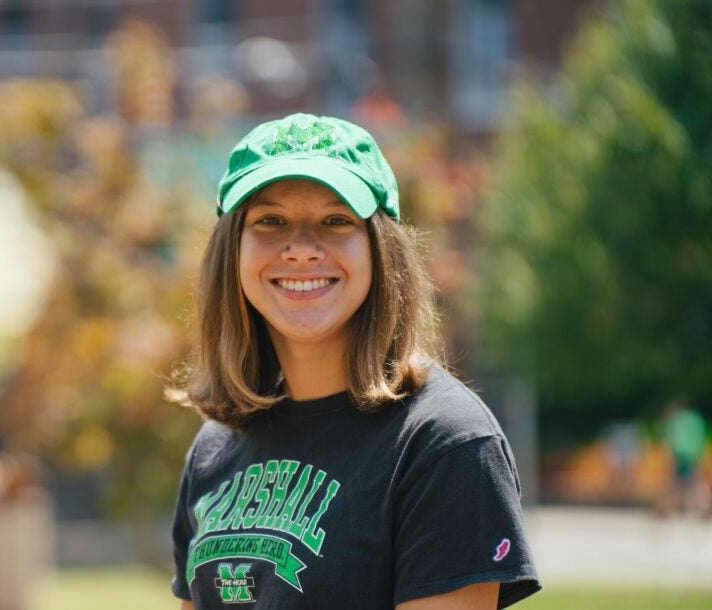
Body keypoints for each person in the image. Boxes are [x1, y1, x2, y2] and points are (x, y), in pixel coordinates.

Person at [167, 113, 540, 609]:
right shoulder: (215, 448)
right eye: (270, 221)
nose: (300, 249)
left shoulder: (444, 444)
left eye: (336, 220)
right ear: (231, 252)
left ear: (380, 251)